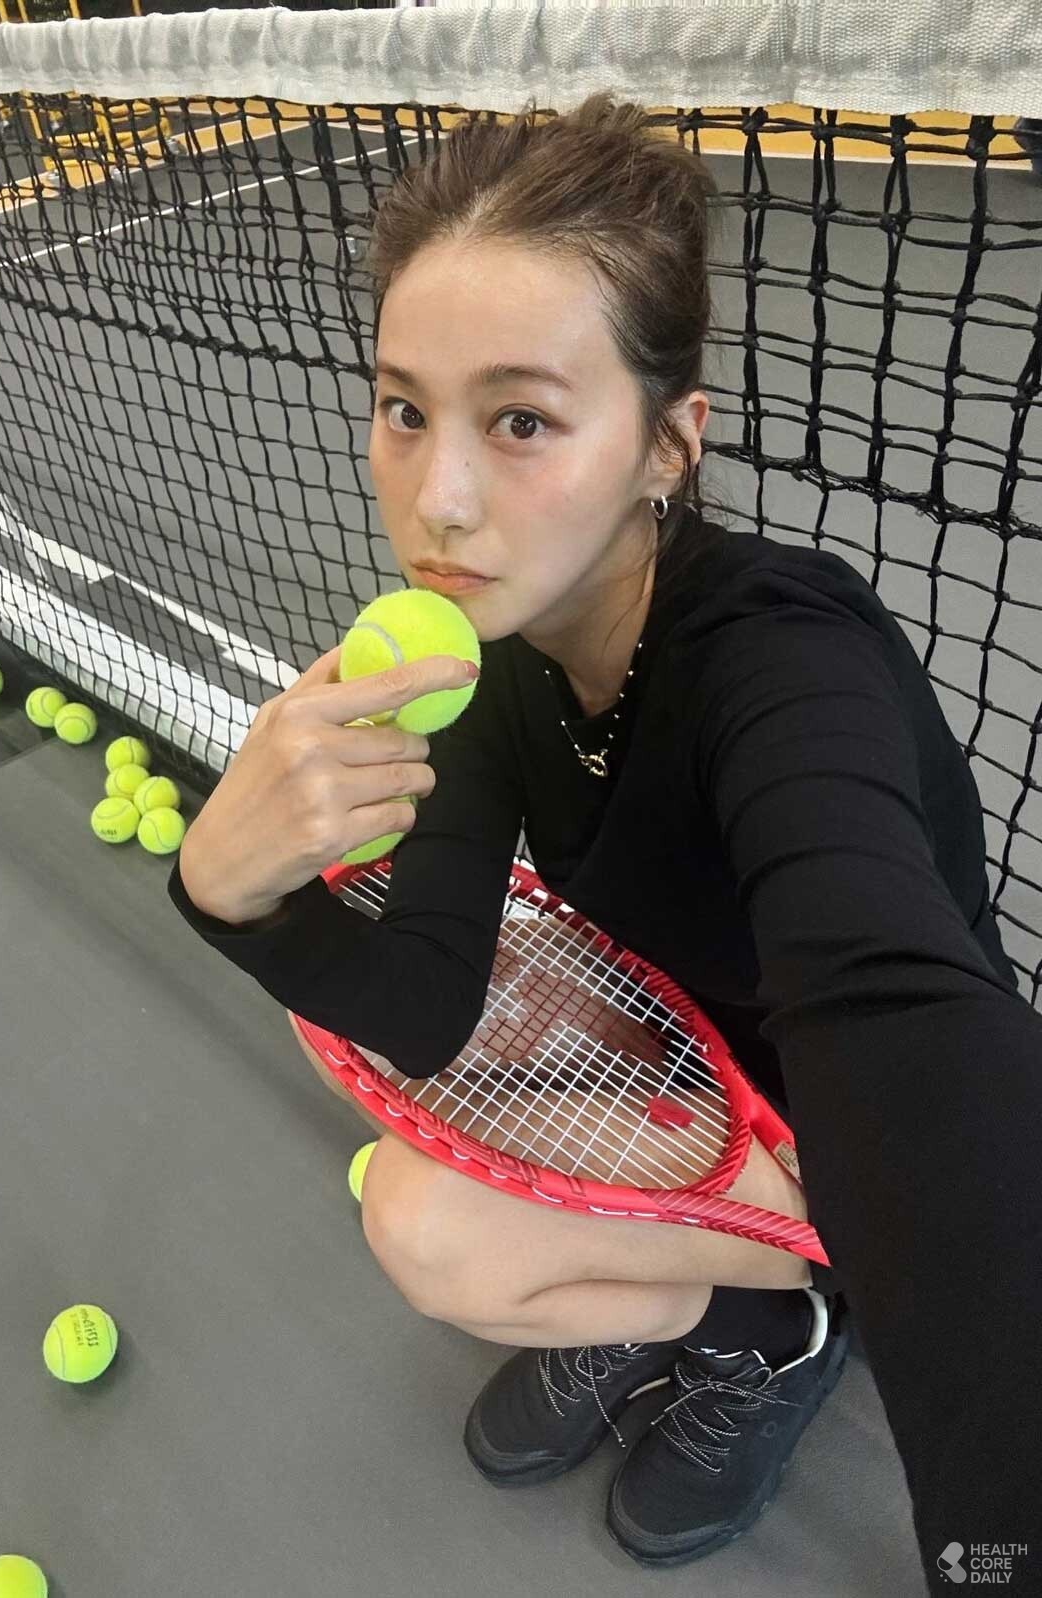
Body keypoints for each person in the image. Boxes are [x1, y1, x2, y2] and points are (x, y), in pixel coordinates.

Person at [170, 97, 1042, 1590]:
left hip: (822, 1136)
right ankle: (748, 1314)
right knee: (405, 1159)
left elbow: (898, 1017)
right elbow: (424, 1005)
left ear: (666, 445)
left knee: (436, 1230)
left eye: (521, 420)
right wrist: (223, 894)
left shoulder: (785, 660)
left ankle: (784, 1318)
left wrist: (1000, 1535)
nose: (439, 500)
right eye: (405, 408)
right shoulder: (484, 657)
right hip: (677, 1038)